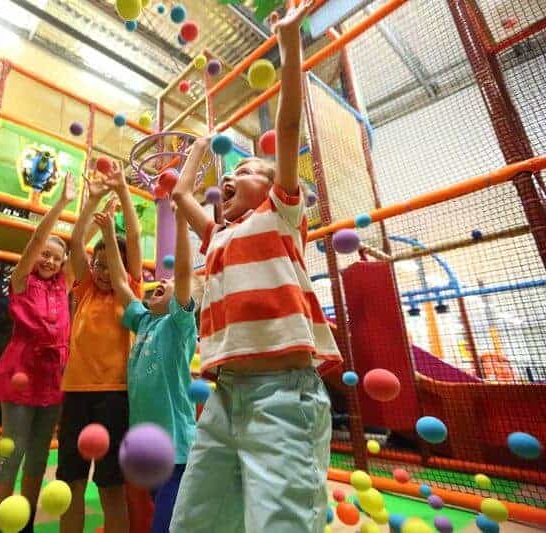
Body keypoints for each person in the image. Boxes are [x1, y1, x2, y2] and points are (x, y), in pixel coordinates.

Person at [168, 2, 342, 531]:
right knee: (193, 521)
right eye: (233, 171)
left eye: (245, 171)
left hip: (282, 394)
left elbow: (287, 126)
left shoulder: (280, 215)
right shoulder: (217, 235)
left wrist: (289, 47)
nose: (233, 176)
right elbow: (178, 192)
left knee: (281, 523)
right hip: (223, 400)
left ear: (271, 188)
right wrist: (198, 150)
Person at [93, 205, 197, 533]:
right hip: (146, 450)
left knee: (164, 525)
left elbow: (181, 275)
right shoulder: (144, 321)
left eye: (166, 285)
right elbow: (122, 283)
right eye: (156, 284)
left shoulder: (179, 326)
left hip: (176, 449)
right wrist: (110, 233)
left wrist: (181, 222)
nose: (159, 284)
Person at [0, 173, 76, 533]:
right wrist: (62, 204)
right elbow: (38, 240)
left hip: (53, 379)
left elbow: (80, 246)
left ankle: (23, 524)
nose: (50, 261)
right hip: (20, 375)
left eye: (57, 257)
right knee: (12, 453)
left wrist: (96, 203)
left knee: (38, 458)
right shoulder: (24, 280)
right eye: (46, 256)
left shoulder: (63, 286)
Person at [58, 161, 143, 533]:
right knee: (69, 485)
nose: (104, 272)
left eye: (111, 266)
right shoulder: (86, 290)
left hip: (114, 396)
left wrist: (122, 192)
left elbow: (134, 241)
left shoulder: (129, 292)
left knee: (110, 487)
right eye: (98, 266)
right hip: (75, 393)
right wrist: (91, 202)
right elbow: (76, 243)